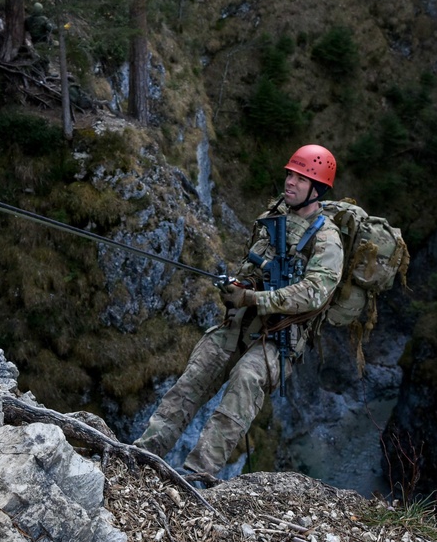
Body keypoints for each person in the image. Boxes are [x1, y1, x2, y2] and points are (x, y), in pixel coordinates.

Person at [133, 144, 345, 479]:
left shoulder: (327, 241)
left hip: (278, 338)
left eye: (300, 178)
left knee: (245, 383)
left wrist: (255, 301)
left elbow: (314, 293)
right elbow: (254, 265)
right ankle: (143, 454)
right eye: (289, 174)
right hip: (240, 324)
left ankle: (196, 474)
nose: (290, 182)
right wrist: (239, 286)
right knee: (192, 381)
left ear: (316, 189)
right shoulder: (274, 218)